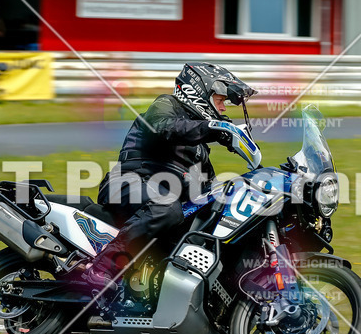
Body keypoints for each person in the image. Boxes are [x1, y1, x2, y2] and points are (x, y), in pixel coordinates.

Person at [71, 62, 256, 293]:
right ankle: (102, 268)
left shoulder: (199, 149)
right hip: (127, 183)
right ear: (200, 93)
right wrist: (212, 127)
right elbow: (165, 128)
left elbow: (209, 191)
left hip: (160, 197)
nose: (224, 109)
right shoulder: (166, 105)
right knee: (166, 207)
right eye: (220, 101)